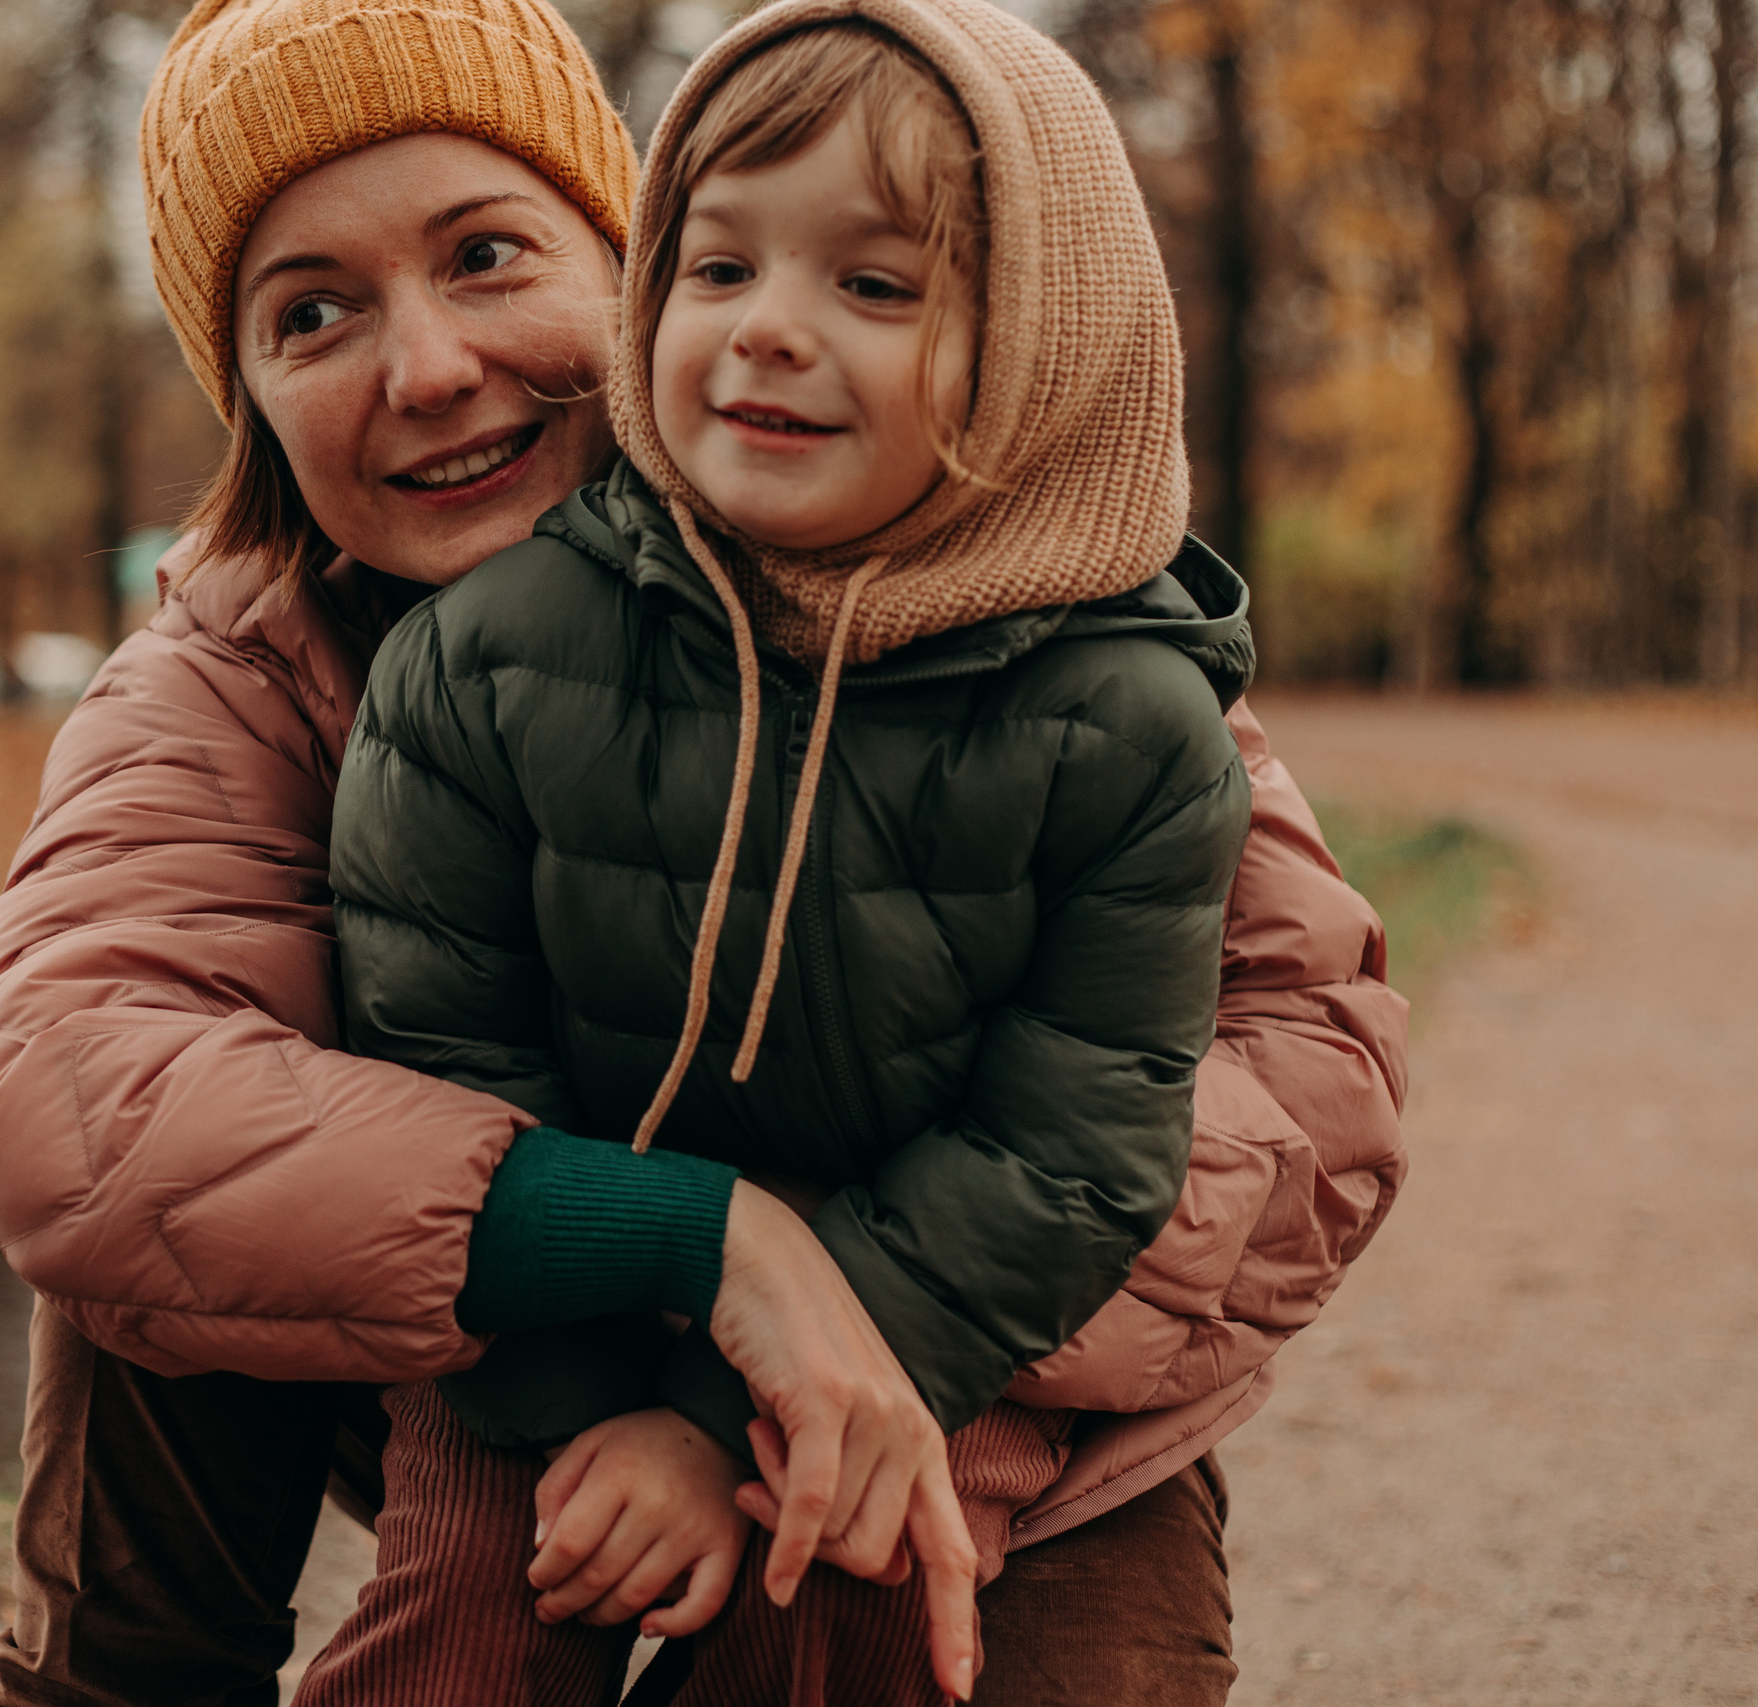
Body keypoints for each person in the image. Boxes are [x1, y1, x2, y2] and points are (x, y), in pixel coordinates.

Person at [0, 0, 1409, 1700]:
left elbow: (1312, 1086)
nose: (423, 369)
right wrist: (697, 1245)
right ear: (252, 394)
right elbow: (73, 1092)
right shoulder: (241, 661)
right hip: (495, 1360)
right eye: (313, 313)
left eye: (488, 255)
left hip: (968, 1365)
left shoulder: (1009, 617)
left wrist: (810, 1354)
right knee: (183, 1192)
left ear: (624, 259)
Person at [307, 3, 1256, 1697]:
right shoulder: (488, 655)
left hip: (921, 1311)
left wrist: (714, 1425)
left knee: (868, 1594)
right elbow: (435, 1055)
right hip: (542, 1307)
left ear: (1045, 342)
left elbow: (1074, 1146)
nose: (768, 335)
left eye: (874, 288)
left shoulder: (1124, 721)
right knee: (466, 1624)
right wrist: (601, 1406)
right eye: (719, 269)